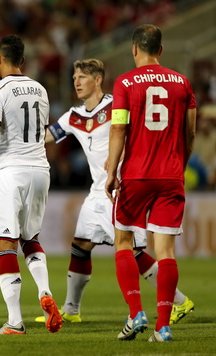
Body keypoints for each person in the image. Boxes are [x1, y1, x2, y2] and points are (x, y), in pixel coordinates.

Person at [35, 59, 194, 324]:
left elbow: (140, 132)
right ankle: (72, 310)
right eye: (74, 77)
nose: (76, 82)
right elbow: (45, 136)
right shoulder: (73, 116)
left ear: (98, 79)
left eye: (82, 77)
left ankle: (180, 301)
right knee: (80, 246)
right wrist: (9, 137)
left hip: (120, 187)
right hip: (96, 191)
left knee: (132, 251)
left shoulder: (116, 105)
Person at [105, 24, 197, 342]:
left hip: (136, 174)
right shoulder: (183, 83)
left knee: (124, 242)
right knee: (166, 251)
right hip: (171, 175)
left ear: (134, 50)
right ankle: (163, 326)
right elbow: (191, 132)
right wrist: (179, 166)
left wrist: (111, 170)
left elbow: (118, 129)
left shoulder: (125, 82)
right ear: (160, 50)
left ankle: (136, 313)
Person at [0, 34, 62, 335]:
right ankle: (44, 291)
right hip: (40, 169)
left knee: (6, 243)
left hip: (11, 170)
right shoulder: (40, 89)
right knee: (30, 237)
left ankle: (14, 321)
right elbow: (28, 128)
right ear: (23, 60)